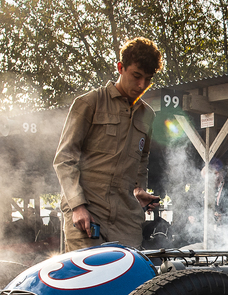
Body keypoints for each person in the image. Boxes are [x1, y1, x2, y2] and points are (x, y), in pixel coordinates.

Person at [54, 37, 162, 250]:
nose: (142, 85)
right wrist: (77, 206)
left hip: (126, 219)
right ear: (120, 68)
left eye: (148, 79)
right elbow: (65, 159)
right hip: (88, 214)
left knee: (129, 279)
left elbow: (142, 158)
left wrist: (139, 189)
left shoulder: (147, 115)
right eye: (136, 76)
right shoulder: (89, 103)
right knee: (88, 279)